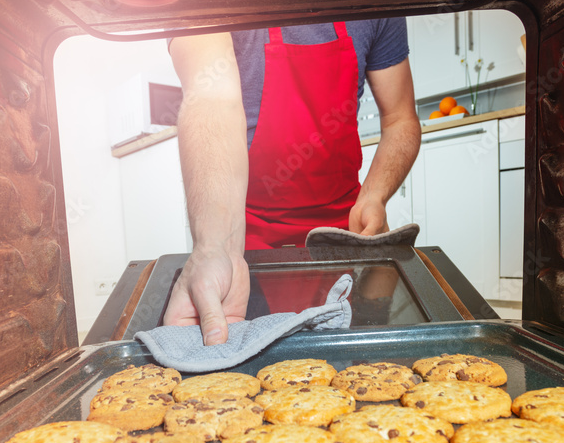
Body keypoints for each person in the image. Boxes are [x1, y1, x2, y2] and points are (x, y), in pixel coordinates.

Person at [163, 19, 421, 345]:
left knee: (351, 365)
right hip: (244, 232)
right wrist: (214, 247)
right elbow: (211, 100)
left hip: (344, 232)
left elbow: (400, 119)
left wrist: (375, 196)